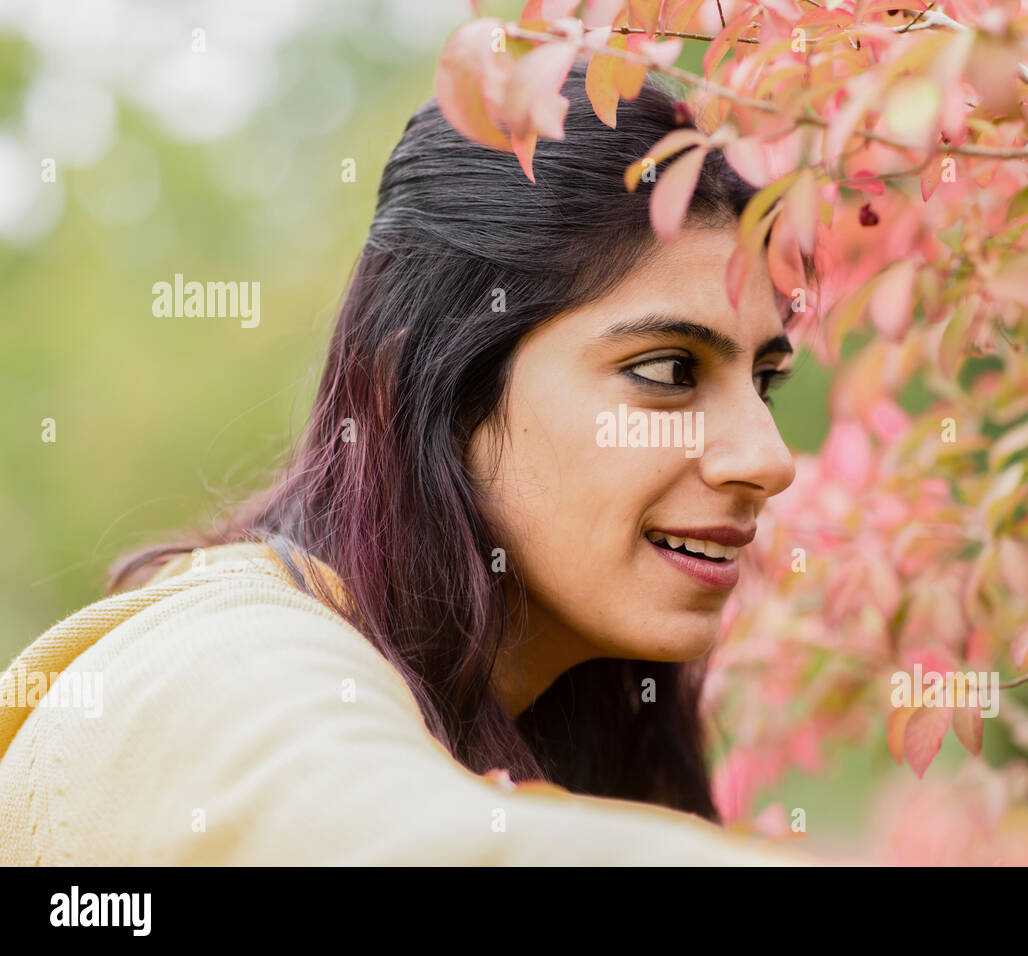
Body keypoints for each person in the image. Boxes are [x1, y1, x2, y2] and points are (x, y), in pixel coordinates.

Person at [0, 61, 816, 865]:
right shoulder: (216, 658)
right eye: (669, 370)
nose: (768, 459)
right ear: (421, 384)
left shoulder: (553, 724)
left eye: (765, 383)